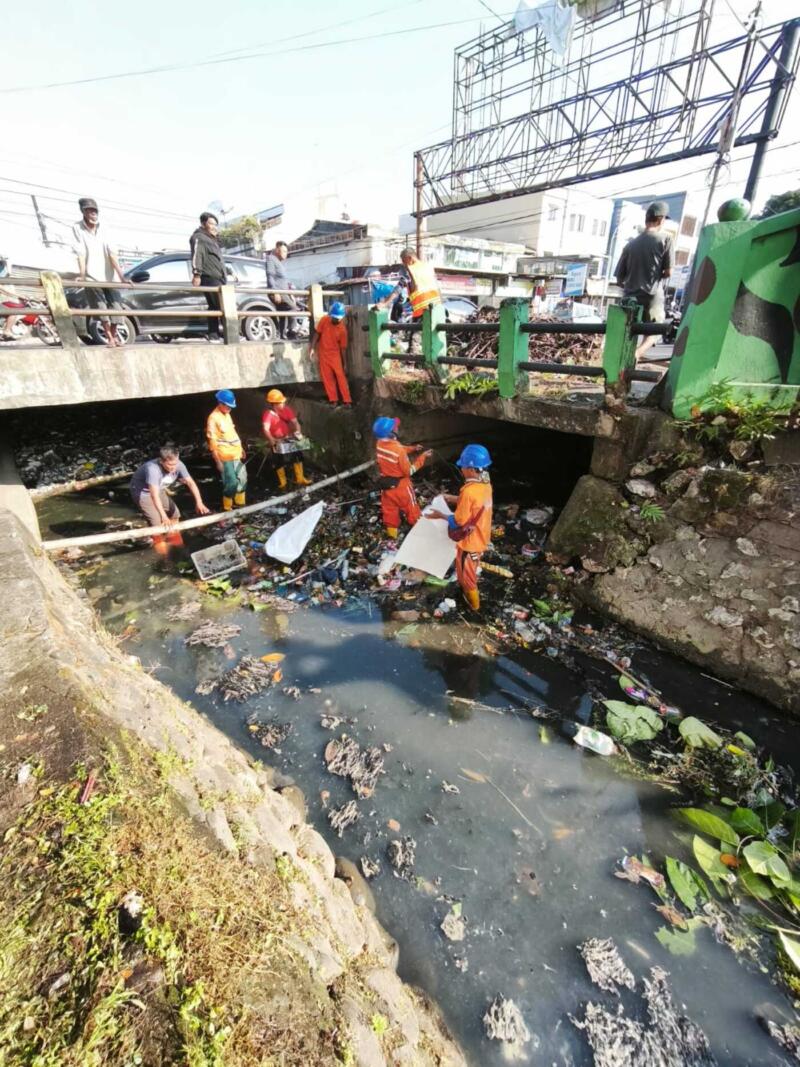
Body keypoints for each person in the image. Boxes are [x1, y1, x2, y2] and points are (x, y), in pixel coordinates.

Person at [428, 444, 493, 612]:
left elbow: (458, 522)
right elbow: (475, 504)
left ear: (471, 468)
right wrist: (452, 498)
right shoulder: (486, 484)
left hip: (470, 544)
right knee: (469, 570)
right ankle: (472, 601)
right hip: (482, 535)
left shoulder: (469, 492)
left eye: (463, 466)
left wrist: (440, 515)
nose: (461, 469)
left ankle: (475, 608)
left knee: (467, 579)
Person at [614, 200, 674, 362]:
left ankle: (622, 359)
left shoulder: (630, 245)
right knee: (655, 331)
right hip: (651, 294)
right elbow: (668, 271)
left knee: (626, 332)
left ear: (646, 219)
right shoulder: (665, 239)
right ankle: (636, 354)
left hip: (629, 296)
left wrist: (633, 281)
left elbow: (619, 279)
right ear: (661, 220)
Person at [129, 444, 210, 555]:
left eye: (175, 464)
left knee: (175, 514)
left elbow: (190, 483)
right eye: (170, 465)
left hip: (160, 488)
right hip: (143, 492)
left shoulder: (179, 464)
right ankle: (164, 554)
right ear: (161, 461)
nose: (173, 467)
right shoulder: (153, 469)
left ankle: (175, 541)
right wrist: (163, 516)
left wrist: (199, 502)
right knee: (157, 524)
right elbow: (154, 495)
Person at [72, 198, 129, 347]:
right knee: (100, 308)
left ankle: (114, 335)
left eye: (95, 211)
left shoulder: (105, 226)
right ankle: (109, 337)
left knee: (116, 307)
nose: (93, 214)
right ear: (83, 212)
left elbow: (112, 252)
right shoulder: (77, 228)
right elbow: (80, 253)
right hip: (92, 275)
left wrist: (122, 276)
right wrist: (82, 275)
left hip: (110, 275)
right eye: (89, 211)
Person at [373, 416, 431, 539]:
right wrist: (422, 457)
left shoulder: (379, 444)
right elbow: (409, 471)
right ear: (391, 433)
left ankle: (392, 537)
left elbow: (396, 449)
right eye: (395, 427)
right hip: (401, 487)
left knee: (389, 511)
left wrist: (412, 448)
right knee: (412, 509)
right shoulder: (398, 450)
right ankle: (421, 534)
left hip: (386, 486)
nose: (397, 427)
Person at [261, 389, 312, 489]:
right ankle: (283, 482)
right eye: (281, 402)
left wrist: (298, 432)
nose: (283, 403)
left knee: (298, 456)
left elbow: (295, 423)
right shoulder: (268, 414)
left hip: (288, 437)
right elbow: (265, 429)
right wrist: (271, 439)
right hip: (277, 440)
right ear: (274, 404)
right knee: (278, 460)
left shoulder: (287, 410)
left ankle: (300, 478)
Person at [206, 389, 247, 511]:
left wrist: (241, 448)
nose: (230, 409)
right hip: (225, 456)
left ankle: (240, 504)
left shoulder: (227, 414)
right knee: (231, 482)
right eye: (228, 406)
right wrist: (217, 461)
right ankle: (227, 507)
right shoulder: (213, 418)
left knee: (243, 477)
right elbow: (212, 442)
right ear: (220, 403)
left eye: (231, 407)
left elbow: (232, 433)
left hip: (235, 453)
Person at [190, 212, 226, 342]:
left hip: (219, 277)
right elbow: (197, 256)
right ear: (203, 224)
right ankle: (220, 334)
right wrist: (197, 274)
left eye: (216, 224)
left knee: (217, 306)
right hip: (209, 277)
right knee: (221, 305)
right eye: (211, 224)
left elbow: (218, 259)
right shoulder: (199, 237)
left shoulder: (211, 239)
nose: (214, 227)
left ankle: (216, 334)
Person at [310, 301, 351, 407]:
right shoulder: (324, 320)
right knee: (327, 378)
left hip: (335, 355)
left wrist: (345, 364)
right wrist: (312, 348)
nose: (335, 320)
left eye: (337, 318)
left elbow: (343, 349)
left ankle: (347, 401)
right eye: (333, 317)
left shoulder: (342, 330)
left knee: (341, 377)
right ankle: (333, 400)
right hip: (323, 354)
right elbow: (317, 334)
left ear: (341, 318)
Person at [265, 240, 298, 340]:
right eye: (283, 251)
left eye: (286, 251)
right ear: (277, 250)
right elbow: (270, 276)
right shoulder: (271, 259)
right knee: (293, 308)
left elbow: (284, 281)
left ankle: (282, 335)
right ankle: (291, 332)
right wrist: (275, 292)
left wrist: (290, 294)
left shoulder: (279, 263)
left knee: (283, 313)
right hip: (278, 291)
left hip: (284, 292)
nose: (285, 254)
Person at [0, 256, 23, 342]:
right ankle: (6, 331)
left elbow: (5, 291)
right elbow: (3, 290)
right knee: (13, 312)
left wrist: (16, 295)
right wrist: (17, 295)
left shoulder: (6, 278)